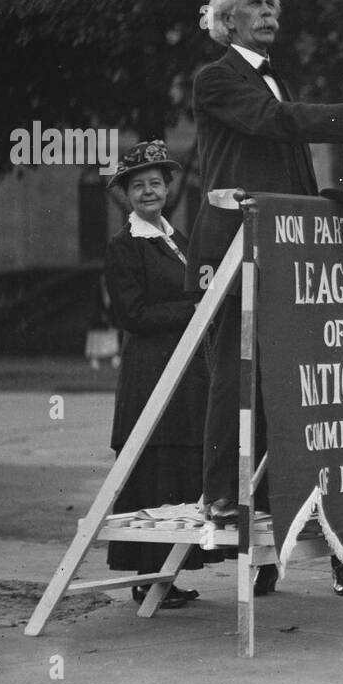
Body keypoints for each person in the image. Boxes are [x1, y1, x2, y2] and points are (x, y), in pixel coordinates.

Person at [188, 0, 343, 597]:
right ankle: (220, 498)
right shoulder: (216, 77)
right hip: (235, 247)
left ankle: (295, 539)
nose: (269, 15)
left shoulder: (271, 80)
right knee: (235, 379)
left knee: (294, 389)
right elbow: (272, 123)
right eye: (256, 5)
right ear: (227, 17)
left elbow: (289, 150)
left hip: (285, 250)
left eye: (274, 6)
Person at [103, 141, 220, 607]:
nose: (148, 192)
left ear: (168, 189)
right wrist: (195, 309)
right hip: (150, 373)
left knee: (180, 471)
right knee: (153, 471)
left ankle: (166, 576)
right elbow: (132, 314)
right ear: (127, 195)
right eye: (138, 186)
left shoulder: (180, 239)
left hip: (187, 375)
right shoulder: (124, 246)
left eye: (155, 183)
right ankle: (145, 577)